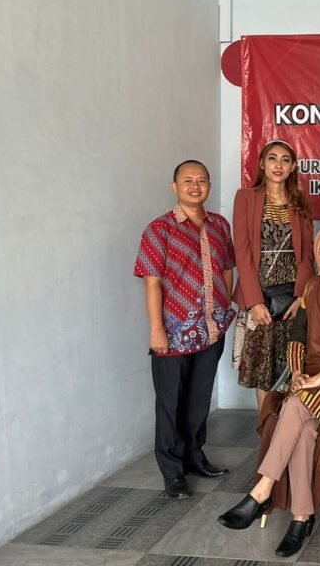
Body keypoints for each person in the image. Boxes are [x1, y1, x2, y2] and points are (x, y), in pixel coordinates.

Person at [217, 227, 320, 558]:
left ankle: (262, 490)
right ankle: (301, 517)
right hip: (311, 377)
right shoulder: (312, 288)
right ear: (317, 257)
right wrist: (298, 373)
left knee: (295, 405)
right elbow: (297, 336)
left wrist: (319, 379)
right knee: (303, 426)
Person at [134, 160, 236, 499]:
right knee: (170, 403)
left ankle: (194, 457)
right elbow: (152, 283)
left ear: (209, 186)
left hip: (210, 330)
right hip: (173, 333)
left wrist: (223, 309)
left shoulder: (219, 225)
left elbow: (227, 268)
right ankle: (172, 472)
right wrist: (156, 330)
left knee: (198, 400)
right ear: (174, 187)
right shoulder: (158, 230)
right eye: (188, 180)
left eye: (202, 180)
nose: (195, 186)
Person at [231, 140, 315, 410]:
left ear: (293, 167)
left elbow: (307, 253)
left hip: (292, 299)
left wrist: (301, 297)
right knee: (264, 372)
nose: (278, 165)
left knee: (293, 366)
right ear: (262, 164)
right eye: (272, 158)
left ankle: (289, 429)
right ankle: (267, 430)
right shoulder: (246, 198)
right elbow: (242, 252)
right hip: (260, 298)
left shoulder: (300, 201)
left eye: (285, 160)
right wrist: (255, 302)